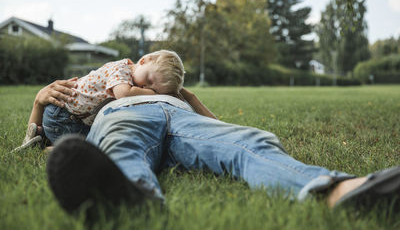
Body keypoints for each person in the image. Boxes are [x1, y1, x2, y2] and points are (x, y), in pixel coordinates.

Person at [33, 79, 400, 215]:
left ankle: (340, 190)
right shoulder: (105, 91)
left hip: (182, 119)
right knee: (120, 150)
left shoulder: (173, 93)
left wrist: (187, 97)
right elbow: (37, 140)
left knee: (247, 142)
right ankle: (133, 203)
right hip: (124, 118)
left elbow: (220, 128)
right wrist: (39, 103)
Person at [13, 50, 186, 152]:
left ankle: (41, 135)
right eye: (148, 80)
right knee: (94, 148)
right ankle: (50, 148)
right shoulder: (122, 70)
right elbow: (123, 94)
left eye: (154, 88)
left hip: (66, 115)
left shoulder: (130, 75)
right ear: (143, 61)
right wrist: (153, 93)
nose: (146, 87)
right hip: (65, 117)